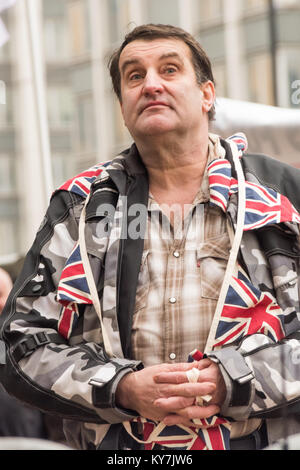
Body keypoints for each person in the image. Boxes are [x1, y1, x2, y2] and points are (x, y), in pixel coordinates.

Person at [0, 23, 300, 451]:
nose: (151, 84)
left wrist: (231, 381)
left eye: (170, 69)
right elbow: (21, 344)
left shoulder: (283, 193)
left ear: (207, 95)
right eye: (134, 75)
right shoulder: (80, 206)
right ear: (122, 104)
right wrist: (120, 388)